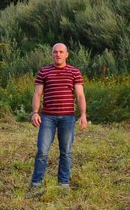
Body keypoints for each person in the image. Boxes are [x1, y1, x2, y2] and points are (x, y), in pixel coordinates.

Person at [29, 42, 87, 192]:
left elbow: (80, 95)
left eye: (61, 52)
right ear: (52, 54)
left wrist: (83, 115)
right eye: (55, 52)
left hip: (67, 118)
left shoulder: (74, 72)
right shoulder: (44, 72)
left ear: (66, 54)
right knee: (42, 151)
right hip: (47, 117)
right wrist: (35, 112)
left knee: (66, 152)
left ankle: (63, 183)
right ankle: (36, 183)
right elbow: (37, 94)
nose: (58, 54)